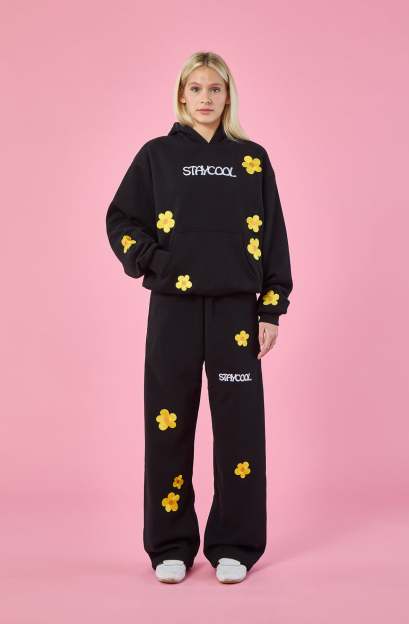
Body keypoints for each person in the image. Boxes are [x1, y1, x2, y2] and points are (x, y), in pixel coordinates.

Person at [105, 51, 293, 584]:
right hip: (174, 310)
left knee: (239, 427)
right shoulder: (157, 156)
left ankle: (235, 544)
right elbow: (120, 219)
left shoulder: (252, 159)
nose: (205, 98)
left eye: (215, 89)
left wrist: (271, 308)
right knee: (168, 423)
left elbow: (274, 235)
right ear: (182, 95)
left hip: (237, 311)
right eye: (196, 88)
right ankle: (170, 545)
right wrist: (155, 261)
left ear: (227, 95)